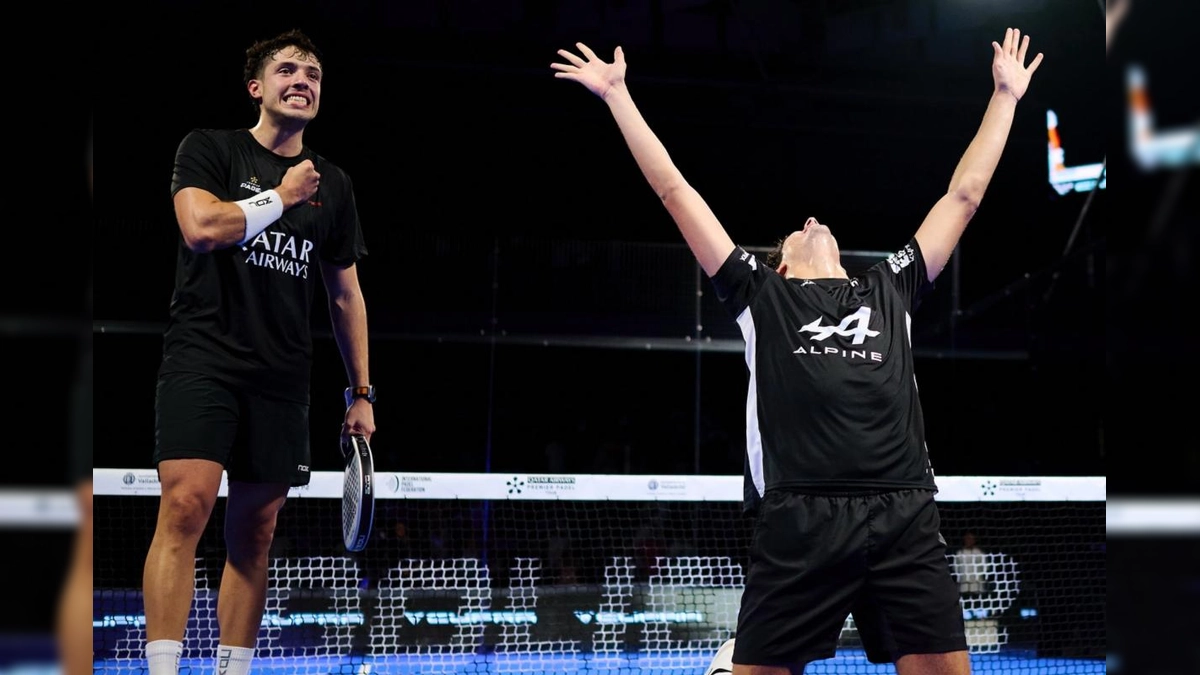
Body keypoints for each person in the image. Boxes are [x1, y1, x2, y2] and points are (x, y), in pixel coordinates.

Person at [553, 26, 1042, 675]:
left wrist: (1006, 95)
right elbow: (676, 191)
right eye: (797, 230)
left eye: (813, 223)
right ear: (780, 266)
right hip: (801, 519)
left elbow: (965, 194)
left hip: (904, 512)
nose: (811, 221)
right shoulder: (760, 297)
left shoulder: (889, 286)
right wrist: (618, 96)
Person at [142, 29, 376, 675]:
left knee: (257, 532)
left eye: (314, 74)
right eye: (288, 70)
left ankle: (232, 669)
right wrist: (282, 196)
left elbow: (346, 297)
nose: (303, 80)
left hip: (281, 376)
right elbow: (200, 228)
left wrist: (361, 393)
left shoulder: (337, 185)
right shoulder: (209, 149)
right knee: (186, 505)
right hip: (203, 358)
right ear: (257, 87)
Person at [950, 531, 989, 598]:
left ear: (974, 540)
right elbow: (955, 569)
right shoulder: (959, 553)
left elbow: (986, 568)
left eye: (971, 539)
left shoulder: (979, 553)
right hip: (963, 588)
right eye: (967, 539)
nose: (969, 541)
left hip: (977, 588)